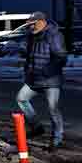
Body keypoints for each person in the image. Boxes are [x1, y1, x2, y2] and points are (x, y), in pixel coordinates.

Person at [17, 11, 67, 150]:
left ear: (41, 22)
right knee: (21, 99)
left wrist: (47, 71)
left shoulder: (54, 35)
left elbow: (61, 57)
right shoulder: (31, 36)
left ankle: (57, 138)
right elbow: (29, 56)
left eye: (33, 24)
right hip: (34, 78)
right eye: (29, 25)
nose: (30, 27)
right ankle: (36, 127)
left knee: (52, 109)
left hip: (51, 79)